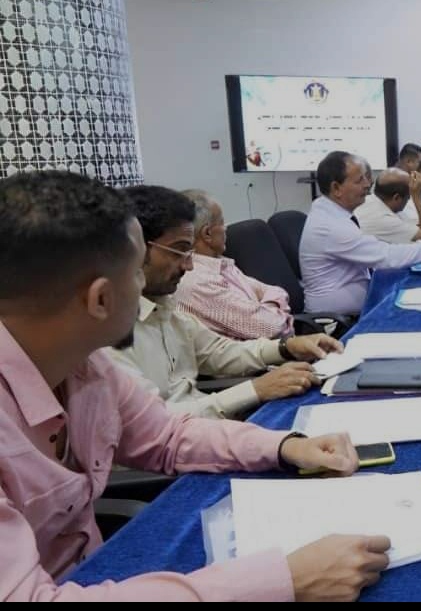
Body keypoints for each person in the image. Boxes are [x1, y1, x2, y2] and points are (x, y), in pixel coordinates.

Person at [0, 170, 389, 602]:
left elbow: (168, 435)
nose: (150, 284)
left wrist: (286, 446)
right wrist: (285, 581)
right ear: (101, 299)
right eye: (135, 273)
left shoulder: (86, 365)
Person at [107, 186, 341, 420]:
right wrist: (256, 390)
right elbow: (151, 422)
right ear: (135, 249)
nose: (188, 266)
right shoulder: (108, 333)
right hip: (187, 434)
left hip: (209, 426)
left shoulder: (164, 304)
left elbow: (219, 351)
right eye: (178, 252)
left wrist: (286, 347)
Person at [300, 151, 421, 314]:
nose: (367, 184)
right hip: (337, 318)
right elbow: (386, 256)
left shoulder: (331, 211)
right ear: (336, 188)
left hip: (359, 301)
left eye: (366, 177)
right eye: (359, 180)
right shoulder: (331, 227)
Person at [174, 189, 294, 340]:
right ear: (207, 234)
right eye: (222, 222)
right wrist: (271, 310)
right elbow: (274, 328)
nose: (226, 228)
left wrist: (264, 310)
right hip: (264, 353)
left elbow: (275, 290)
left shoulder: (220, 264)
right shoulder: (200, 282)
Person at [353, 168, 421, 243]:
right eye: (408, 196)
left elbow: (420, 228)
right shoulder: (383, 219)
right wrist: (418, 197)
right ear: (396, 198)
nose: (409, 199)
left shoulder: (370, 201)